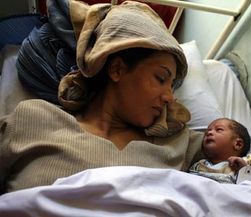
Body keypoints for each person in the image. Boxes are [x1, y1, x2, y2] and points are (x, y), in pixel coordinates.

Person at [0, 0, 204, 194]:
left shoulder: (180, 142)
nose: (170, 97)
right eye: (161, 78)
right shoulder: (34, 119)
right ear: (117, 69)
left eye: (172, 86)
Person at [189, 118, 251, 184]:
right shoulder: (199, 165)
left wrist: (244, 169)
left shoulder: (244, 164)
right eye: (206, 132)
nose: (209, 133)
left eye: (219, 130)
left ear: (238, 144)